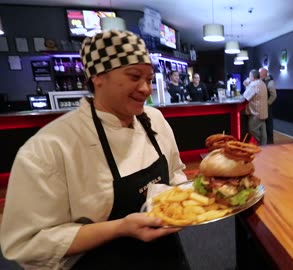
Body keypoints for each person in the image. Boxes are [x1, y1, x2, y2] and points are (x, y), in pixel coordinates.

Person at [0, 30, 190, 269]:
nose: (145, 88)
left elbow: (175, 173)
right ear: (98, 76)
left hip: (168, 256)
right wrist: (119, 228)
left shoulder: (155, 119)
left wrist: (188, 200)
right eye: (134, 76)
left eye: (150, 79)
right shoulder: (49, 147)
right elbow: (29, 243)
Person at [243, 69, 268, 145]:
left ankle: (260, 144)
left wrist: (247, 83)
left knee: (252, 129)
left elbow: (245, 96)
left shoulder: (254, 84)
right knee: (263, 132)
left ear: (252, 77)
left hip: (256, 113)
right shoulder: (262, 83)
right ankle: (264, 148)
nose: (249, 77)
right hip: (263, 112)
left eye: (249, 76)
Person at [259, 67, 277, 144]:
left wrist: (267, 103)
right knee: (264, 125)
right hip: (263, 106)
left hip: (267, 106)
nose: (259, 74)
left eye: (260, 73)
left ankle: (270, 142)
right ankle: (265, 142)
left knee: (269, 125)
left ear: (264, 73)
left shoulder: (270, 82)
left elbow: (274, 95)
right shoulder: (262, 81)